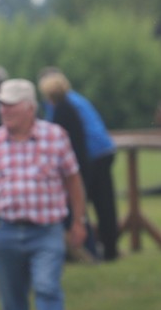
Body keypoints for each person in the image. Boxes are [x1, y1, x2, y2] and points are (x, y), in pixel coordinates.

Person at [0, 79, 87, 310]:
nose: (4, 110)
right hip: (6, 229)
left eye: (11, 105)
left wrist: (78, 221)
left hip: (46, 229)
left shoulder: (55, 136)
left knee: (47, 286)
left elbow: (73, 181)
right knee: (12, 296)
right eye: (2, 105)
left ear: (30, 108)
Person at [41, 68, 120, 261]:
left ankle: (88, 250)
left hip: (91, 155)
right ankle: (110, 249)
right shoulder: (75, 99)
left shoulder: (60, 105)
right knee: (104, 203)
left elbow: (52, 131)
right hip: (104, 150)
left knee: (81, 202)